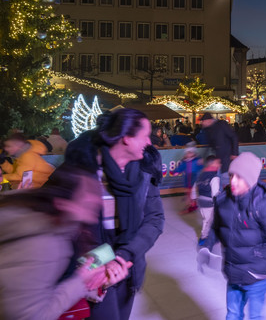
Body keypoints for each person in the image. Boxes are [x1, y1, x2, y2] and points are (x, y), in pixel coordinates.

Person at [60, 108, 165, 320]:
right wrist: (98, 263)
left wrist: (123, 257)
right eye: (145, 135)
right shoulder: (81, 167)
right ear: (126, 138)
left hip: (128, 264)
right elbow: (62, 223)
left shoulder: (144, 171)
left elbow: (155, 219)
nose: (150, 142)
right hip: (92, 270)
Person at [0, 166, 109, 320]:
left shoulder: (56, 219)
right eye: (88, 195)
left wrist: (106, 264)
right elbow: (29, 315)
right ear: (62, 203)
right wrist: (80, 281)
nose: (97, 199)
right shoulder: (40, 245)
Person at [198, 152, 266, 320]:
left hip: (256, 277)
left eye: (240, 177)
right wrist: (207, 246)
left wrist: (256, 266)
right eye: (231, 175)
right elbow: (215, 227)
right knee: (233, 314)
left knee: (256, 316)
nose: (233, 181)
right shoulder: (223, 201)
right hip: (233, 273)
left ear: (250, 180)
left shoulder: (262, 205)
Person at [199, 113, 239, 186]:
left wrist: (235, 153)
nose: (202, 123)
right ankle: (222, 193)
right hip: (219, 158)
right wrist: (203, 157)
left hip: (227, 155)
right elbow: (210, 144)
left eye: (203, 121)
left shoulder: (221, 124)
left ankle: (226, 192)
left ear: (208, 120)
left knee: (225, 176)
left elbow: (234, 137)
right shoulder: (208, 130)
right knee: (219, 177)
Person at [194, 155, 221, 246]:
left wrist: (194, 198)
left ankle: (213, 236)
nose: (219, 165)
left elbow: (195, 187)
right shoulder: (214, 177)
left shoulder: (201, 175)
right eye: (218, 163)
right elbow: (215, 193)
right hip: (209, 202)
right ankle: (203, 238)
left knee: (211, 219)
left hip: (201, 201)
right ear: (213, 164)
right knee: (208, 220)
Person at [175, 142, 202, 214]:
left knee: (192, 191)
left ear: (194, 153)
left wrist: (201, 163)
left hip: (193, 177)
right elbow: (181, 168)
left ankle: (193, 205)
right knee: (187, 191)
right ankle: (190, 204)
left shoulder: (196, 160)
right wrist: (176, 171)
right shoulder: (184, 161)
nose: (188, 154)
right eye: (187, 153)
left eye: (190, 153)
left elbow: (200, 167)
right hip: (187, 177)